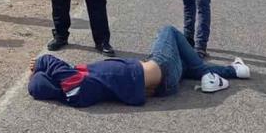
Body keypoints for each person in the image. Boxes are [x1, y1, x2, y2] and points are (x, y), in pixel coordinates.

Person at [28, 25, 250, 107]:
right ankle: (215, 74)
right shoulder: (72, 86)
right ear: (52, 81)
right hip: (159, 70)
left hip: (164, 83)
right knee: (168, 31)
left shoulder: (75, 94)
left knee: (186, 61)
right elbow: (50, 60)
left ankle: (230, 72)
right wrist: (39, 64)